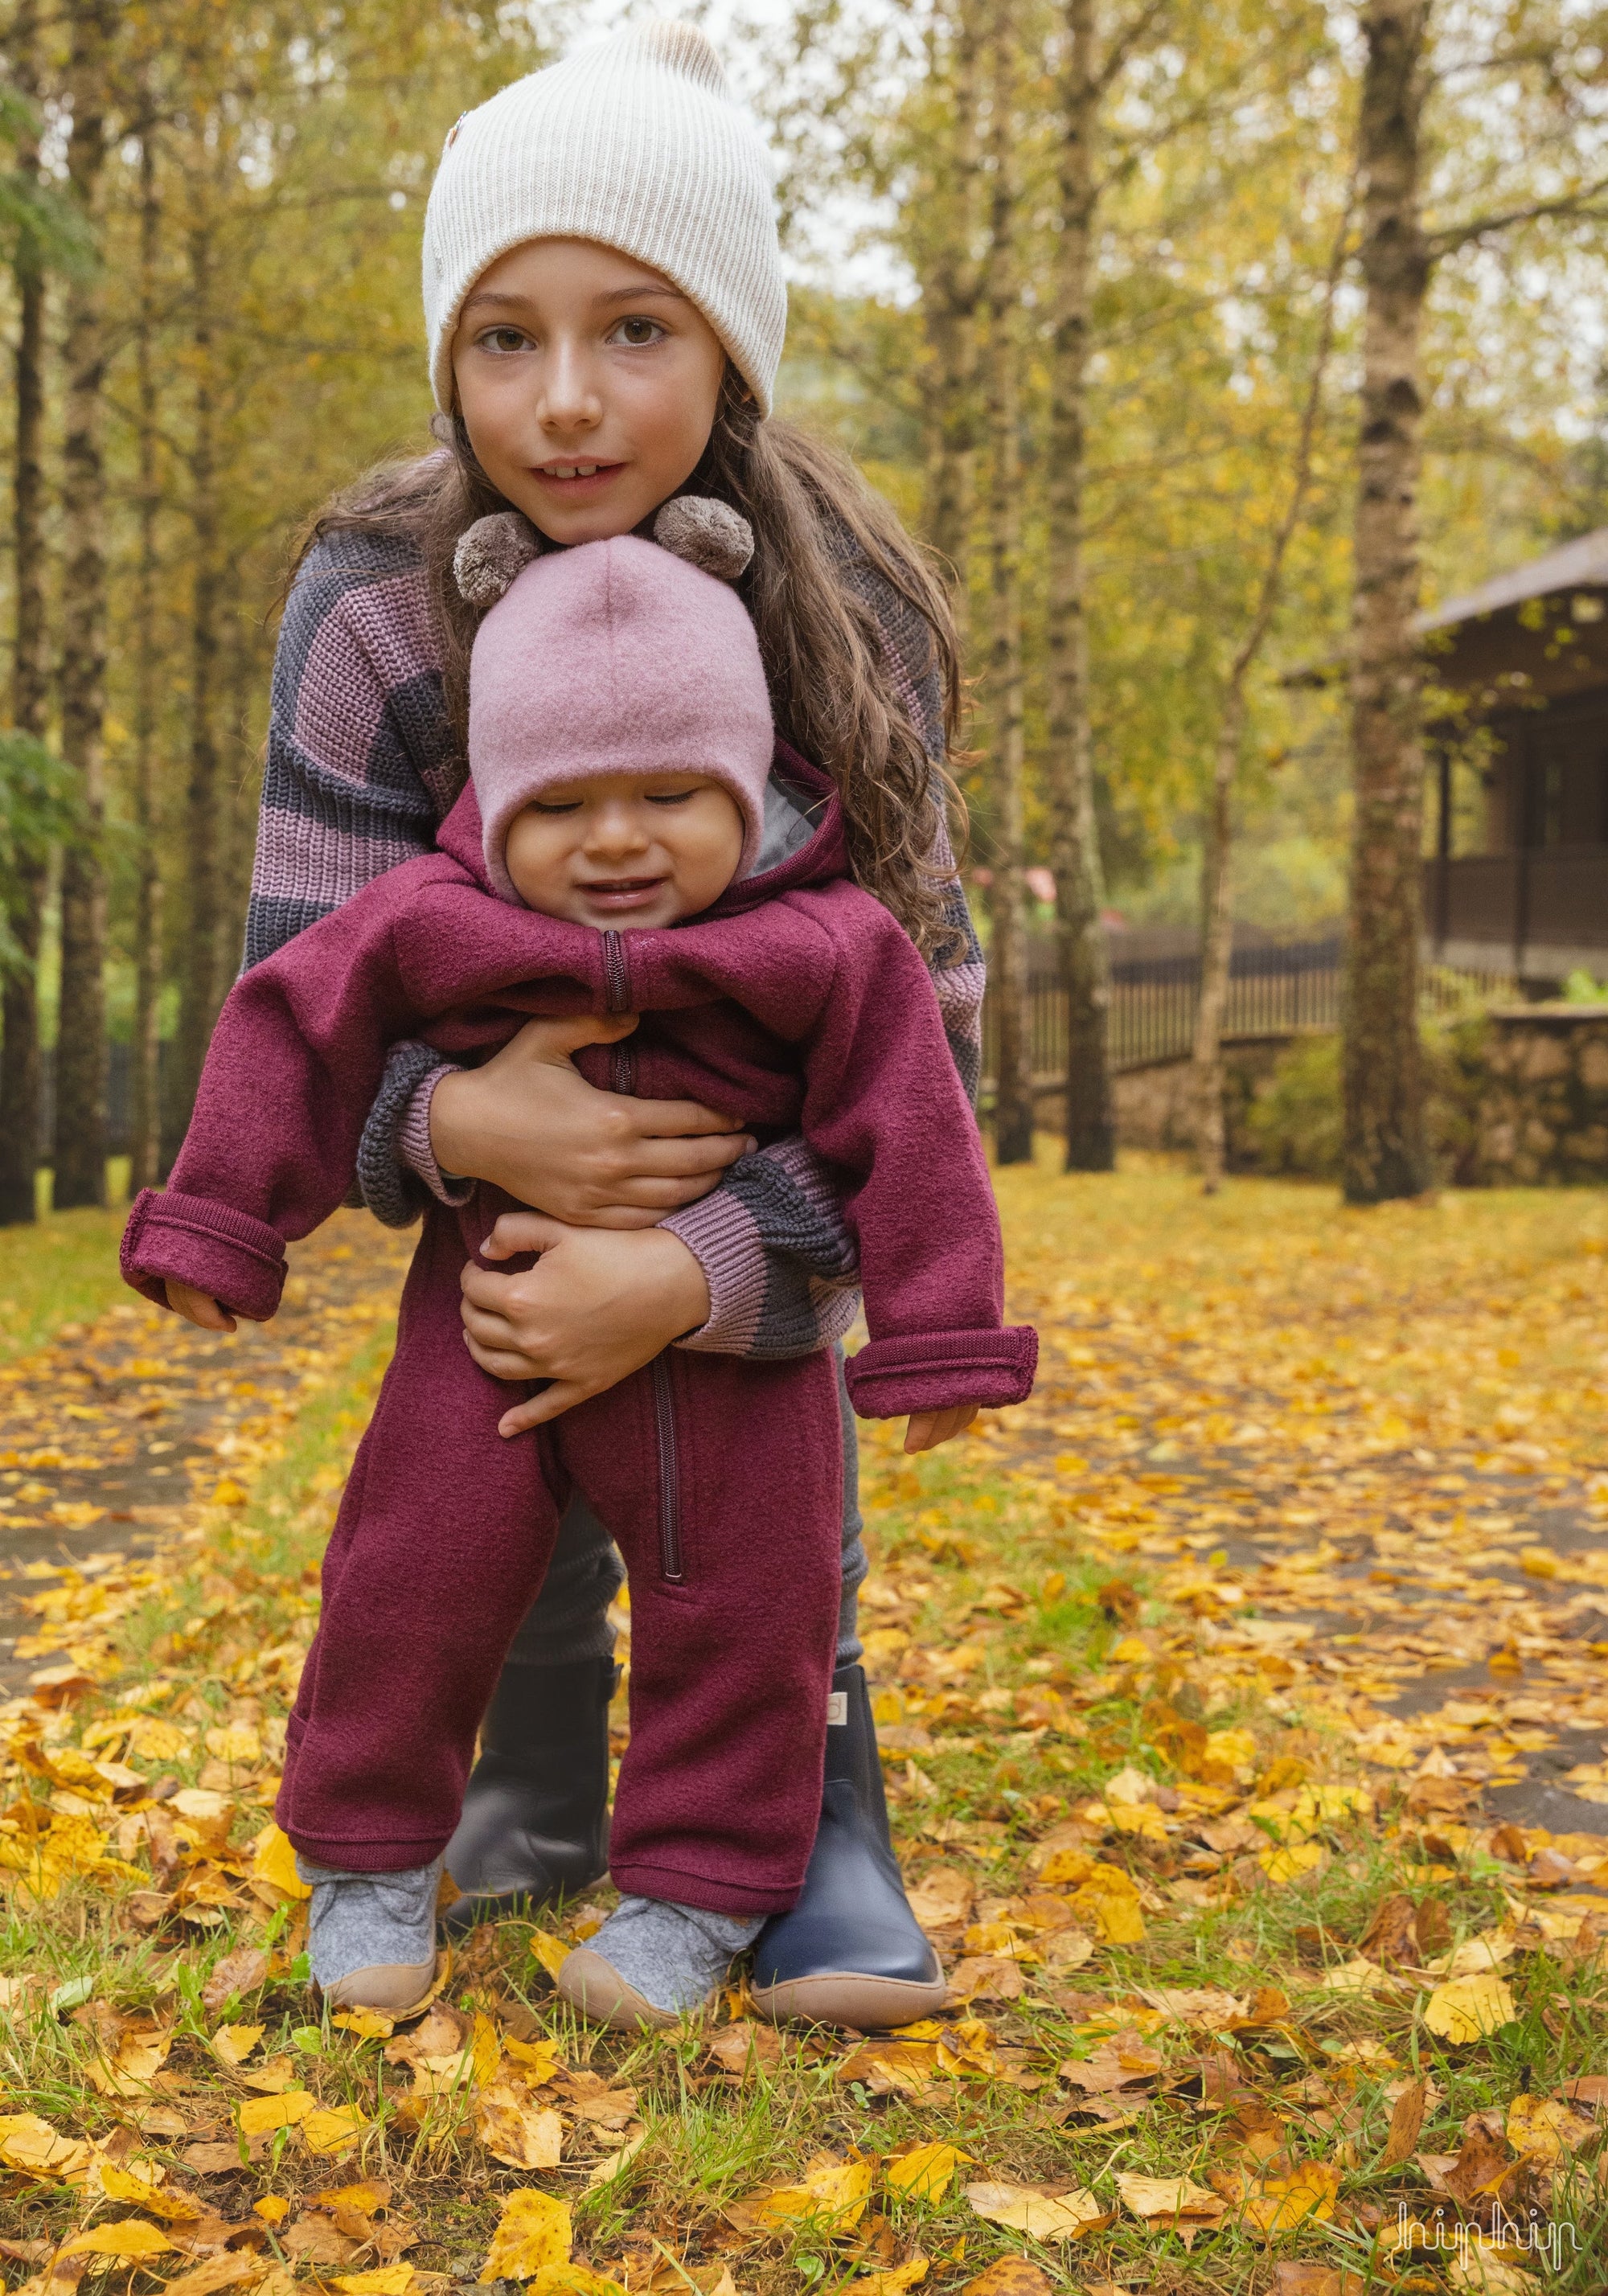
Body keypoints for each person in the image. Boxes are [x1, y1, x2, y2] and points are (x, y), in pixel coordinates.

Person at [229, 18, 991, 2029]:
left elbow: (937, 1024)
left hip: (755, 1173)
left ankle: (815, 1805)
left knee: (743, 1440)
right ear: (448, 356)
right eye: (504, 338)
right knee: (467, 1424)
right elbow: (301, 976)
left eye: (635, 329)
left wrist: (711, 1264)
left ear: (730, 344)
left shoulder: (854, 608)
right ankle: (534, 1767)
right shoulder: (377, 601)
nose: (566, 402)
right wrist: (466, 1130)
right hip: (493, 1177)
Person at [122, 521, 1036, 2028]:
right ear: (491, 806)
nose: (617, 840)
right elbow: (292, 1026)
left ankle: (694, 1897)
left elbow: (918, 1129)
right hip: (487, 1324)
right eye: (563, 805)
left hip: (740, 1355)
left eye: (672, 796)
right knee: (406, 1570)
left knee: (753, 1601)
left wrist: (942, 1339)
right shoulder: (431, 922)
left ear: (747, 791)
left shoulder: (834, 946)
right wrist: (222, 1220)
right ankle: (367, 1860)